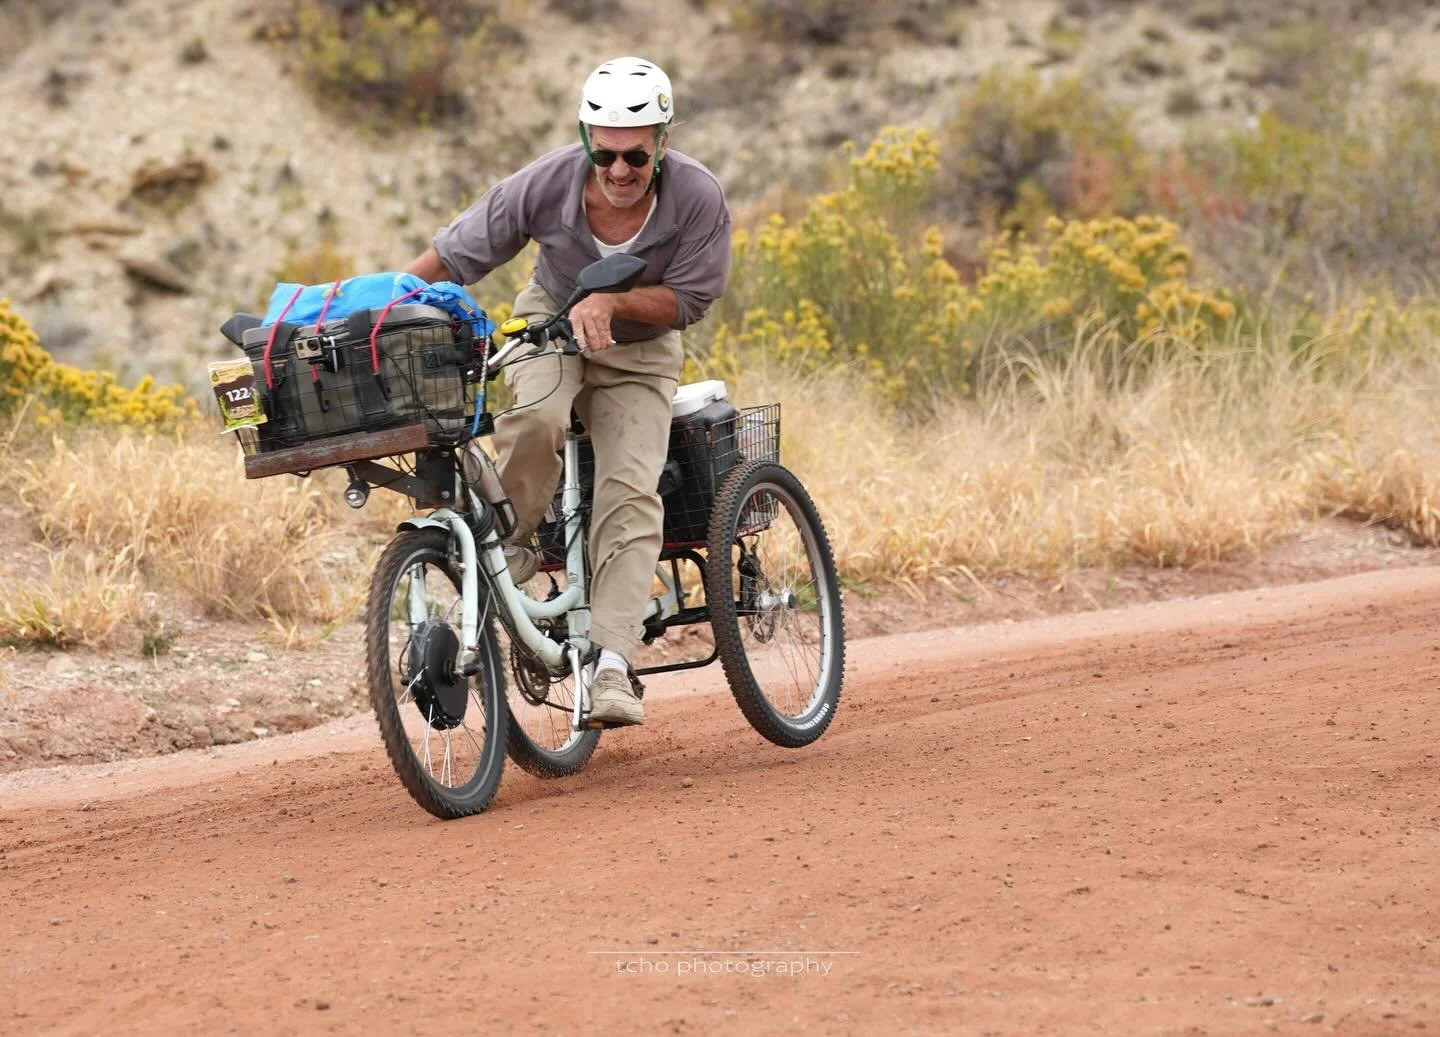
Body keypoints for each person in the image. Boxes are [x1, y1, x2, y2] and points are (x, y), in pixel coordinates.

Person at [405, 56, 732, 726]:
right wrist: (388, 310)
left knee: (631, 487)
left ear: (662, 145)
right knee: (531, 420)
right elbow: (455, 253)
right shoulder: (549, 182)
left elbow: (692, 297)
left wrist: (613, 303)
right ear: (586, 138)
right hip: (550, 318)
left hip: (640, 351)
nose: (618, 171)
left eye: (635, 158)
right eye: (604, 152)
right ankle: (515, 550)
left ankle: (612, 664)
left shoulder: (698, 196)